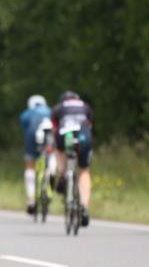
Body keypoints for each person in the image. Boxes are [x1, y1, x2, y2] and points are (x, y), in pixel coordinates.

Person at [51, 91, 93, 226]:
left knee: (59, 149)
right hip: (83, 137)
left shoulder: (58, 108)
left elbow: (54, 130)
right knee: (84, 170)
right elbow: (90, 125)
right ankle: (84, 207)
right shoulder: (86, 106)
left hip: (65, 135)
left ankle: (63, 174)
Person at [19, 95, 52, 215]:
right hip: (48, 137)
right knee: (51, 156)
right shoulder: (50, 110)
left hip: (32, 138)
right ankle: (50, 176)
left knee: (30, 166)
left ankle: (31, 201)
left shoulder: (27, 113)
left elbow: (24, 127)